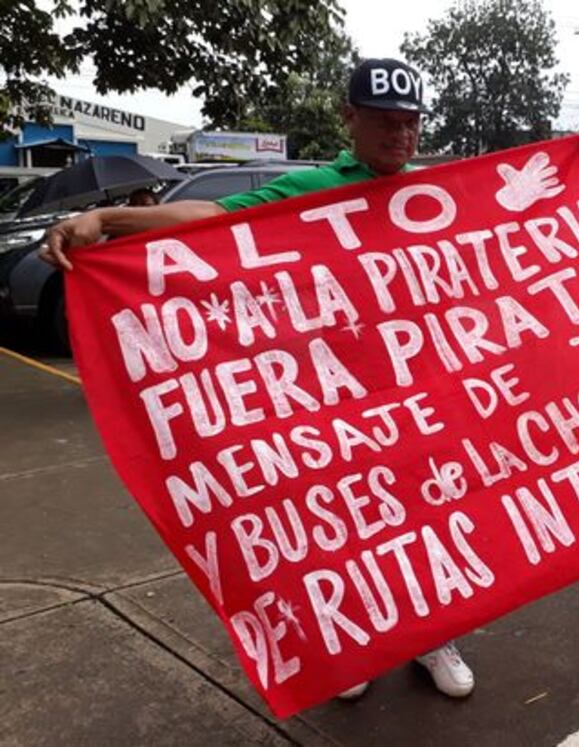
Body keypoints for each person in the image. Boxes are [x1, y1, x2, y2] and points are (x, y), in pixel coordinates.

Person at [39, 58, 474, 704]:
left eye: (410, 123)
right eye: (384, 121)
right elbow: (209, 215)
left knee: (429, 513)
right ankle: (358, 641)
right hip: (333, 397)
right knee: (350, 520)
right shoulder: (314, 187)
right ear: (349, 118)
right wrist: (108, 222)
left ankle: (434, 636)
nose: (400, 135)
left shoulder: (438, 193)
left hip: (418, 392)